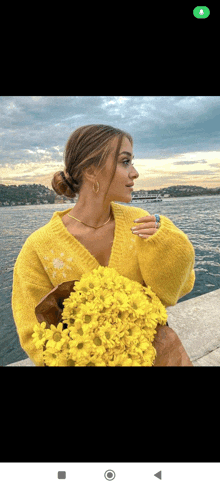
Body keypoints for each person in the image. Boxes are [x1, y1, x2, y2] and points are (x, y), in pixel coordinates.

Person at [11, 124, 196, 366]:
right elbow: (32, 333)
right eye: (125, 162)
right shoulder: (38, 248)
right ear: (91, 170)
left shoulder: (139, 222)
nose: (135, 172)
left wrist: (169, 242)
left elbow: (171, 292)